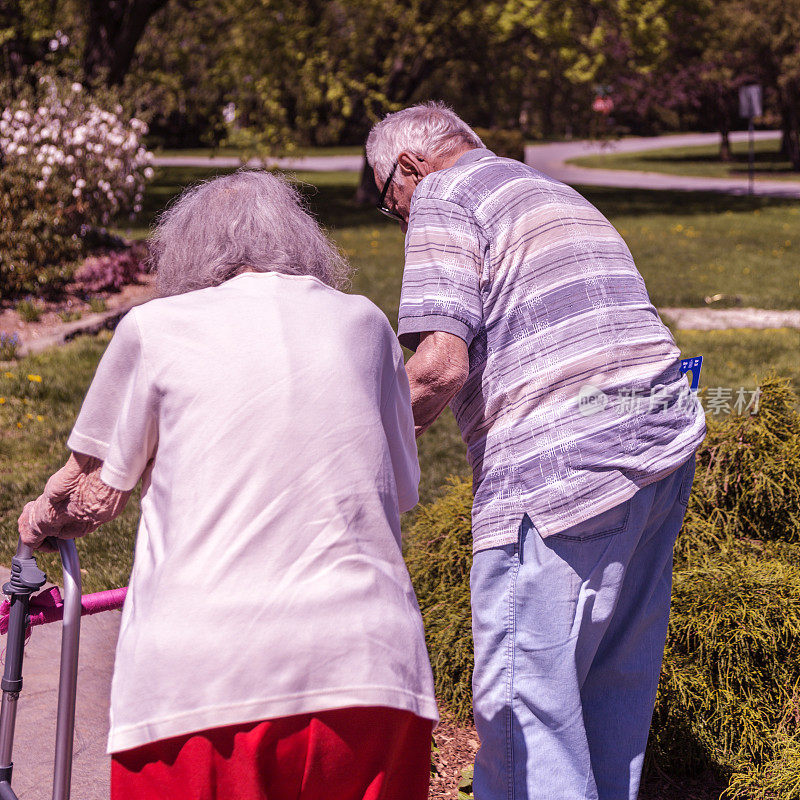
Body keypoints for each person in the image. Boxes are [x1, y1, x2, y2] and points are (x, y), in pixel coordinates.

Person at [18, 170, 437, 800]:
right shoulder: (365, 324)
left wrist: (41, 518)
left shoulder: (156, 326)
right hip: (370, 662)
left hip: (205, 681)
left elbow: (89, 491)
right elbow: (398, 488)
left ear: (187, 249)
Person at [365, 102, 706, 800]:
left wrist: (351, 442)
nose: (396, 215)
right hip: (662, 442)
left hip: (562, 469)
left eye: (385, 199)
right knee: (611, 687)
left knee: (525, 715)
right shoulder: (543, 187)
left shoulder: (441, 193)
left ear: (407, 167)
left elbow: (438, 368)